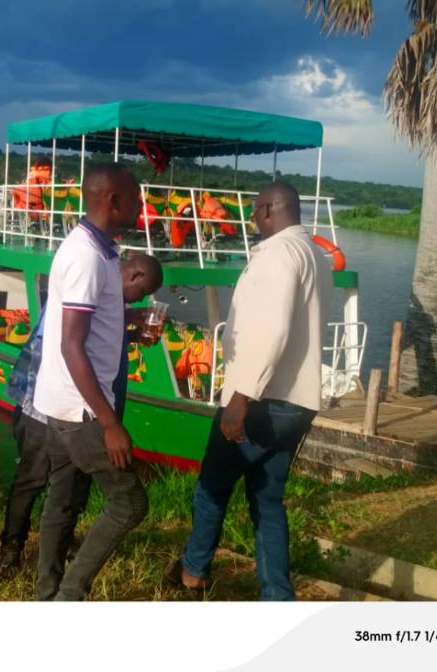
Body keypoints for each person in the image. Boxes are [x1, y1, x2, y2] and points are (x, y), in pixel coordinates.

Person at [166, 182, 333, 600]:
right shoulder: (315, 254)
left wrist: (241, 397)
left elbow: (272, 330)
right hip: (297, 402)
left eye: (255, 211)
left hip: (263, 399)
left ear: (267, 210)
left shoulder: (278, 255)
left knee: (211, 487)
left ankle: (193, 572)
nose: (252, 219)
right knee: (267, 498)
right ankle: (276, 595)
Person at [0, 254, 163, 575]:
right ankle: (11, 547)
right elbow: (65, 339)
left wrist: (130, 327)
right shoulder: (87, 281)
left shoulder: (109, 296)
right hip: (40, 398)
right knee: (32, 475)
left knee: (72, 478)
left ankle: (60, 541)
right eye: (141, 292)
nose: (139, 299)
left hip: (79, 407)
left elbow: (96, 337)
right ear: (134, 275)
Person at [32, 163, 152, 601]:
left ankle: (48, 592)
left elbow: (89, 325)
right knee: (129, 503)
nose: (141, 205)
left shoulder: (102, 251)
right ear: (113, 201)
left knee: (63, 500)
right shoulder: (85, 257)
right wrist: (109, 423)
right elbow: (71, 346)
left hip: (62, 402)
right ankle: (69, 595)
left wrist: (128, 319)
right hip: (80, 408)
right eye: (136, 198)